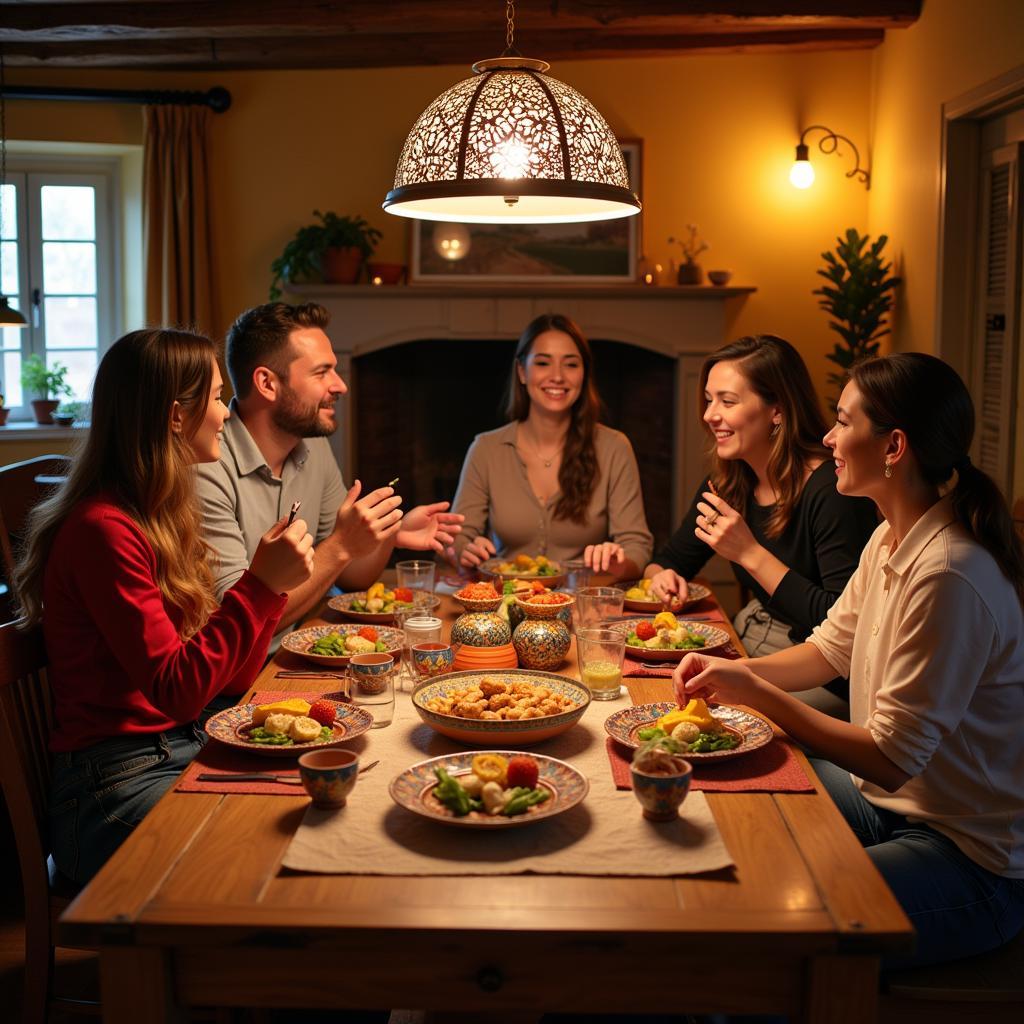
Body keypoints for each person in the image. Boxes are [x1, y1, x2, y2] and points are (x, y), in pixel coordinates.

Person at [673, 353, 1024, 969]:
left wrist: (754, 694)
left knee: (760, 916)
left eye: (842, 421)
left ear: (893, 446)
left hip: (969, 858)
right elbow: (826, 650)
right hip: (889, 805)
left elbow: (890, 759)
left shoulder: (949, 573)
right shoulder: (890, 536)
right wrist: (729, 674)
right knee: (732, 783)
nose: (828, 438)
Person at [13, 329, 314, 885]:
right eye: (219, 398)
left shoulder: (160, 518)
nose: (227, 414)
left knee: (321, 796)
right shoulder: (104, 530)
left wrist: (268, 591)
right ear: (177, 416)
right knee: (280, 840)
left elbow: (229, 682)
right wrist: (258, 585)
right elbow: (177, 689)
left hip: (177, 746)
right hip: (111, 788)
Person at [197, 302, 463, 644]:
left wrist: (383, 534)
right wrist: (341, 544)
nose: (340, 386)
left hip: (302, 647)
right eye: (321, 372)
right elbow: (237, 626)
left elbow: (350, 576)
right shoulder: (207, 464)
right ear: (266, 383)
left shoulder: (313, 446)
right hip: (236, 681)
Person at [646, 334, 877, 712]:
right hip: (749, 637)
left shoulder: (833, 490)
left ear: (778, 411)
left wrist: (749, 553)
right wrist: (662, 576)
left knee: (696, 717)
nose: (709, 415)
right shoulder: (731, 482)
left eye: (727, 401)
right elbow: (668, 560)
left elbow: (842, 626)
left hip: (823, 676)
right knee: (659, 697)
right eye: (708, 400)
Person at [450, 312, 653, 578]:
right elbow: (457, 538)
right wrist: (465, 551)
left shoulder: (614, 447)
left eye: (571, 365)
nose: (557, 376)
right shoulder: (486, 449)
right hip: (507, 602)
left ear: (584, 374)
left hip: (582, 604)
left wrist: (619, 563)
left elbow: (637, 546)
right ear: (522, 371)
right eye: (543, 363)